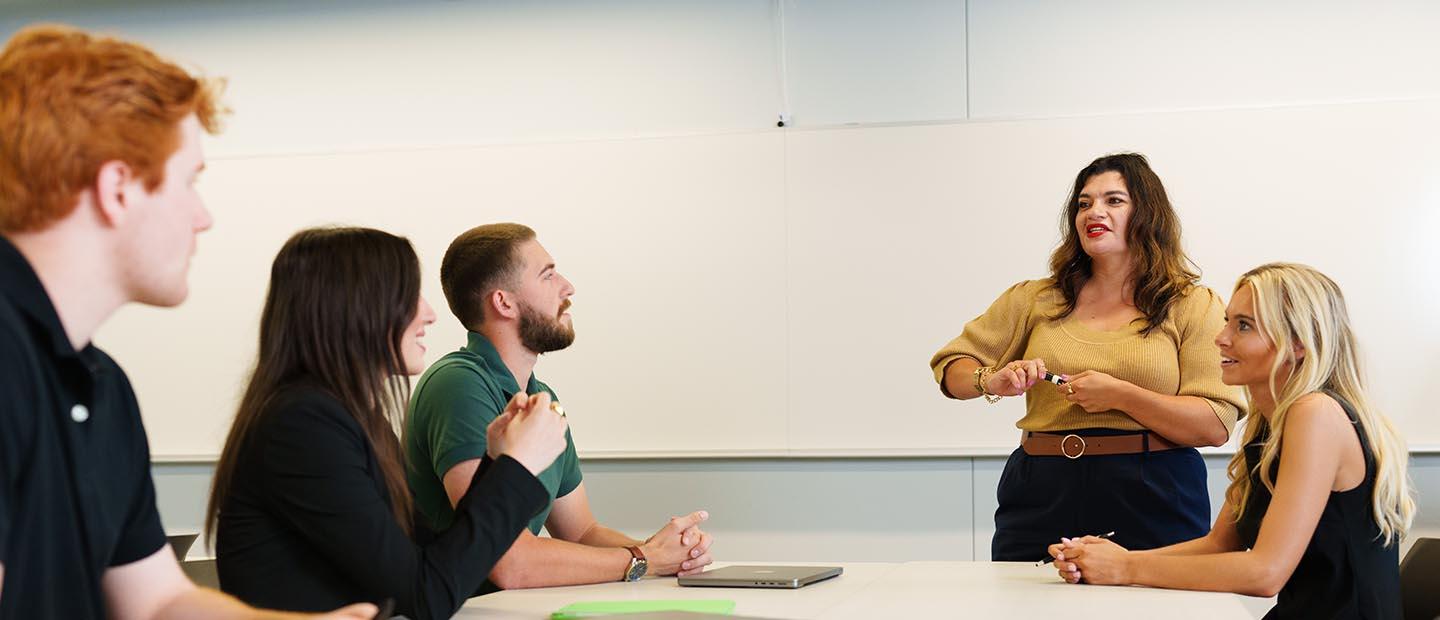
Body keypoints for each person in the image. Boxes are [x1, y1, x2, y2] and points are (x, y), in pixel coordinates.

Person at [0, 24, 369, 618]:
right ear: (117, 188)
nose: (203, 218)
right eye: (189, 181)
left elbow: (158, 602)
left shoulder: (101, 385)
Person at [207, 227, 569, 617]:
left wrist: (497, 466)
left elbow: (436, 559)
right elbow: (426, 595)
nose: (429, 313)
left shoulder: (355, 419)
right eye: (409, 295)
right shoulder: (302, 425)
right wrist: (518, 468)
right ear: (355, 308)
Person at [1050, 263, 1414, 619]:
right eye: (1228, 321)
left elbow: (1265, 573)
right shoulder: (1268, 426)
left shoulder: (1316, 414)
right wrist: (1110, 559)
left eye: (1244, 326)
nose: (1221, 338)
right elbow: (1219, 544)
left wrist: (1126, 568)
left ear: (1297, 344)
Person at [929, 153, 1247, 561]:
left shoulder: (1190, 304)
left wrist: (1121, 395)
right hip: (1041, 486)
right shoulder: (1035, 297)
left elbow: (1215, 424)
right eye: (1084, 203)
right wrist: (990, 380)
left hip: (1154, 491)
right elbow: (952, 368)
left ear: (1147, 214)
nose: (1093, 212)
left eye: (1114, 200)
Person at [406, 223, 714, 590]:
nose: (567, 287)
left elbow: (582, 532)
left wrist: (666, 552)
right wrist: (643, 560)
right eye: (548, 275)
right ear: (503, 302)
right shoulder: (458, 385)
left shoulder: (542, 399)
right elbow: (508, 563)